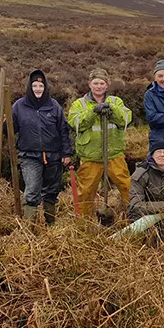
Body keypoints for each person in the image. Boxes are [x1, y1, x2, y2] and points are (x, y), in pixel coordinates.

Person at [0, 70, 72, 225]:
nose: (38, 89)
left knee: (51, 192)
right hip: (29, 156)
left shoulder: (53, 105)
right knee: (32, 191)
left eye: (41, 85)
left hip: (53, 156)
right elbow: (11, 129)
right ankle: (31, 230)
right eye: (34, 85)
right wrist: (0, 124)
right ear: (29, 87)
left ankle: (51, 227)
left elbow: (63, 129)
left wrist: (66, 152)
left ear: (45, 87)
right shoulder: (19, 106)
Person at [68, 68, 132, 218]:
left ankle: (134, 217)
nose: (99, 86)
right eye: (96, 83)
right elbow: (75, 123)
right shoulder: (79, 104)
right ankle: (85, 224)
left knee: (127, 187)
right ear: (89, 84)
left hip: (114, 155)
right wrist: (93, 112)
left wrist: (113, 110)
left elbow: (126, 119)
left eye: (102, 83)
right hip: (91, 157)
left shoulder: (116, 101)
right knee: (86, 192)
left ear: (107, 84)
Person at [128, 140, 164, 222]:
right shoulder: (140, 175)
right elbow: (135, 206)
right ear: (152, 155)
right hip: (146, 219)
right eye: (158, 152)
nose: (162, 155)